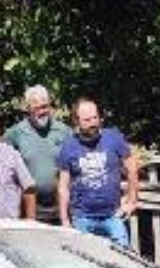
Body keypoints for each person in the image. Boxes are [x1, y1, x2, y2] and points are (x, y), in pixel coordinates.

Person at [57, 97, 139, 247]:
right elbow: (63, 186)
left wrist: (132, 201)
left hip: (113, 216)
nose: (93, 123)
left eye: (95, 118)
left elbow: (132, 168)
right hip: (82, 218)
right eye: (87, 120)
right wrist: (64, 220)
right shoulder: (68, 146)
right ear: (77, 122)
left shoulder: (113, 138)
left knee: (122, 261)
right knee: (86, 263)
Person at [4, 85, 71, 223]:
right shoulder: (16, 133)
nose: (42, 111)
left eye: (45, 106)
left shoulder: (64, 131)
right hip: (30, 206)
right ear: (28, 109)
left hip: (59, 205)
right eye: (37, 108)